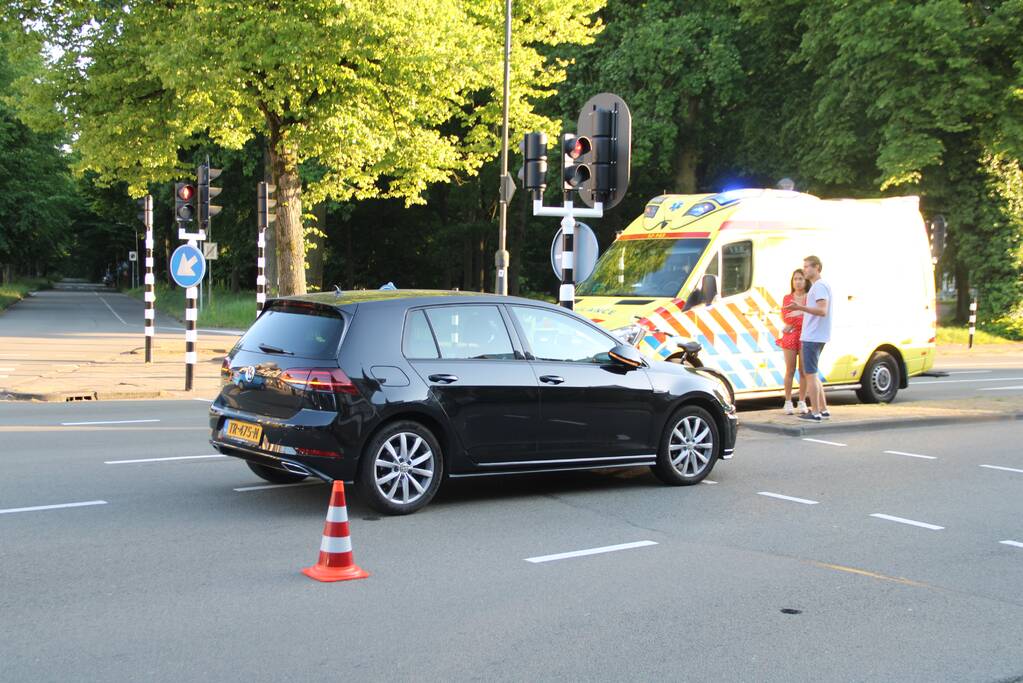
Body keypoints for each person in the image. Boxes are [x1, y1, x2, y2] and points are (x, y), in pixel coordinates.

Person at [783, 255, 832, 422]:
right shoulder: (820, 286)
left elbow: (822, 310)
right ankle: (823, 409)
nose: (805, 270)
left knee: (809, 374)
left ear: (816, 267)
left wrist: (800, 307)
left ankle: (815, 412)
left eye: (807, 267)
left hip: (812, 336)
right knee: (814, 374)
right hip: (816, 335)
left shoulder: (819, 286)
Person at [779, 269, 809, 414]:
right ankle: (788, 401)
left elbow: (810, 316)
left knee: (803, 370)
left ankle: (802, 401)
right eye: (795, 279)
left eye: (800, 279)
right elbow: (786, 317)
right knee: (790, 370)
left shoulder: (809, 298)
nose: (797, 282)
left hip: (805, 336)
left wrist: (797, 314)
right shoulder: (787, 298)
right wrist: (800, 314)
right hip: (790, 336)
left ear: (805, 281)